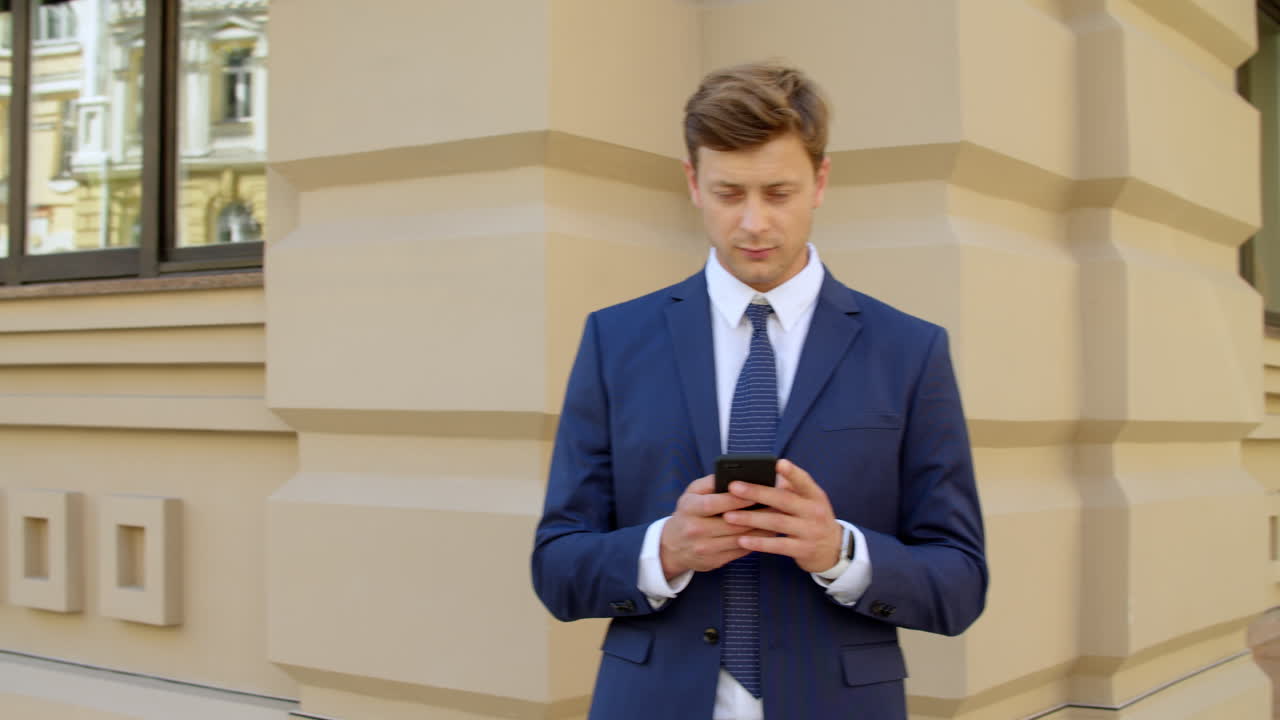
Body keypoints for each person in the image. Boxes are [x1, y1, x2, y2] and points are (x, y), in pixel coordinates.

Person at [531, 62, 987, 720]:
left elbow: (960, 582)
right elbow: (557, 569)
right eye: (728, 193)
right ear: (692, 183)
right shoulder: (615, 340)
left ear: (821, 182)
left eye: (778, 192)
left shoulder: (909, 351)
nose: (753, 223)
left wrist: (841, 552)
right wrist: (662, 550)